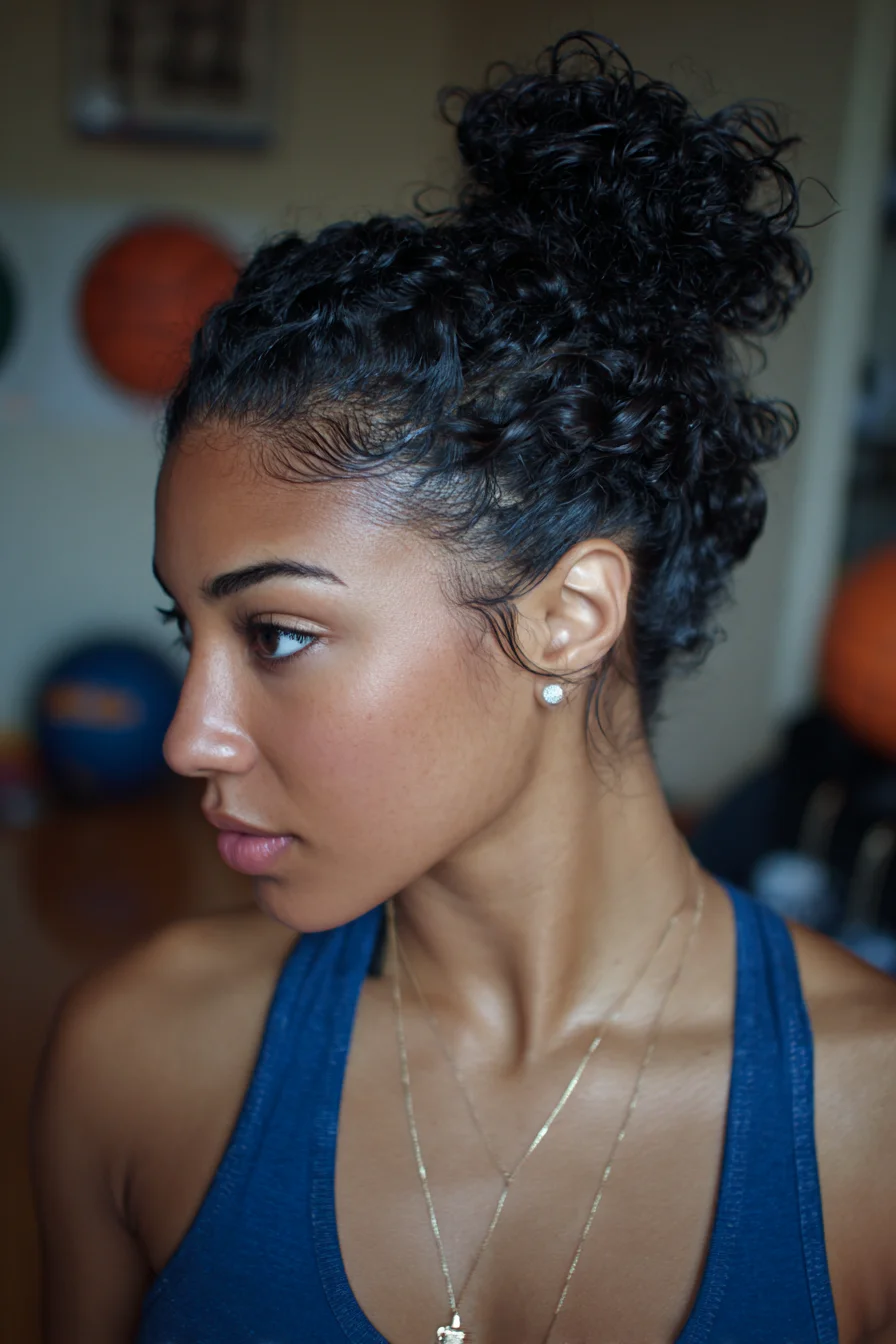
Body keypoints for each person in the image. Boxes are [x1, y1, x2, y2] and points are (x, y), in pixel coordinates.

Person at [31, 32, 896, 1344]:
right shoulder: (142, 1062)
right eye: (186, 632)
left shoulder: (870, 1121)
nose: (188, 738)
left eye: (275, 635)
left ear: (570, 614)